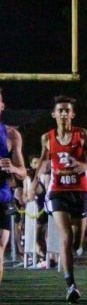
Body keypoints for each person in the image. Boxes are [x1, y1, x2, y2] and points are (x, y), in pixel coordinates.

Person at [37, 96, 87, 302]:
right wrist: (32, 185)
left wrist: (85, 166)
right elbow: (42, 161)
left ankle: (73, 252)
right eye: (61, 110)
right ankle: (71, 285)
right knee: (65, 236)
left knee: (76, 241)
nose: (64, 113)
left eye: (68, 110)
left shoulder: (82, 134)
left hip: (80, 191)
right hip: (58, 191)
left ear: (73, 114)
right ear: (54, 114)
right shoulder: (47, 138)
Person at [0, 87, 29, 293]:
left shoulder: (11, 134)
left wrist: (12, 168)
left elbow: (23, 172)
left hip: (2, 197)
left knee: (0, 248)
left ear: (2, 106)